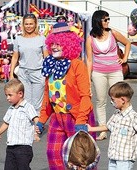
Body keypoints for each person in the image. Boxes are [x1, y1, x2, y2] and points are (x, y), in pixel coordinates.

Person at [36, 21, 96, 169]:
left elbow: (85, 96)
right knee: (53, 154)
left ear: (68, 44)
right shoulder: (50, 64)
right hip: (57, 117)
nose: (54, 47)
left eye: (59, 44)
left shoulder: (77, 65)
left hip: (76, 117)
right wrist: (42, 120)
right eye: (53, 44)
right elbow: (48, 96)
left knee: (81, 157)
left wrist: (81, 120)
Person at [86, 10, 131, 140]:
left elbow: (128, 43)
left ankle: (123, 126)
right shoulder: (90, 39)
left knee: (121, 98)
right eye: (105, 19)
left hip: (115, 71)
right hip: (98, 73)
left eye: (108, 19)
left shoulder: (113, 33)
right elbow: (89, 60)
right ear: (98, 21)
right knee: (101, 101)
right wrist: (88, 79)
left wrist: (125, 58)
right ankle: (103, 130)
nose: (107, 22)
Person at [87, 81, 137, 170]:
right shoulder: (116, 114)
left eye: (113, 100)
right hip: (113, 157)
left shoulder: (134, 117)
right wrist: (91, 129)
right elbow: (107, 127)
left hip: (125, 160)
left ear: (123, 100)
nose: (111, 102)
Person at [0, 78, 39, 170]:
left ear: (20, 94)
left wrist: (37, 130)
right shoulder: (11, 109)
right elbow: (6, 123)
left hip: (24, 147)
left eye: (10, 95)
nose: (7, 98)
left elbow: (36, 119)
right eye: (6, 95)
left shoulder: (28, 107)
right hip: (11, 147)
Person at [9, 13, 49, 113]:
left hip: (38, 73)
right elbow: (15, 57)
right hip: (23, 74)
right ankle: (27, 126)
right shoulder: (19, 39)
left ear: (35, 24)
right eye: (26, 24)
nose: (29, 26)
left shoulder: (42, 39)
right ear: (23, 25)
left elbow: (46, 57)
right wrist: (11, 74)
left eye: (31, 24)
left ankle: (37, 127)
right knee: (25, 101)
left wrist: (48, 75)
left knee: (37, 103)